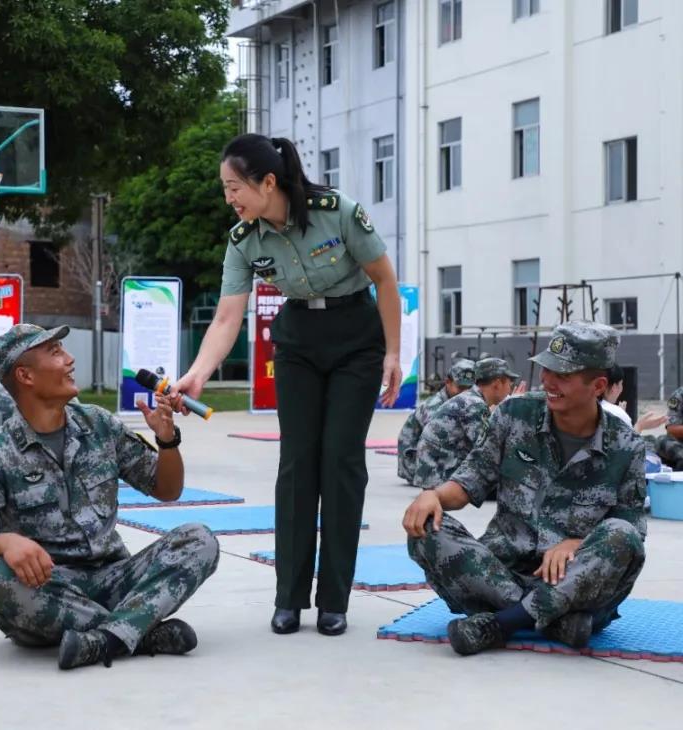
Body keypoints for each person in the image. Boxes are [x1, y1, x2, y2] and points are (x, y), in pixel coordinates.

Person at [171, 133, 401, 637]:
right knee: (297, 463)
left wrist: (392, 352)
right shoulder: (244, 239)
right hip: (298, 342)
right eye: (226, 189)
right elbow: (229, 316)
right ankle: (289, 597)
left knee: (340, 459)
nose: (229, 199)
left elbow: (385, 278)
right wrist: (200, 373)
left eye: (235, 188)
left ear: (267, 181)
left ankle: (335, 599)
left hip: (356, 340)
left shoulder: (336, 211)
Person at [0, 324, 219, 670]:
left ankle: (106, 640)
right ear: (25, 375)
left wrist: (167, 441)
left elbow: (167, 490)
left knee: (200, 540)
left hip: (115, 577)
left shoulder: (99, 425)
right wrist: (6, 544)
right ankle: (140, 631)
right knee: (2, 581)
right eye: (56, 352)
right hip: (50, 589)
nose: (70, 359)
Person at [403, 322, 646, 656]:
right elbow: (468, 481)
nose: (548, 381)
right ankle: (553, 621)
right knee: (425, 527)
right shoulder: (513, 416)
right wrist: (433, 495)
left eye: (563, 375)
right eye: (546, 370)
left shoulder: (626, 446)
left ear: (598, 385)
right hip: (501, 572)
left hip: (575, 580)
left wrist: (577, 543)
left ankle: (502, 623)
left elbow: (631, 526)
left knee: (623, 537)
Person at [412, 358, 520, 491]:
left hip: (436, 471)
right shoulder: (474, 405)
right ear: (497, 384)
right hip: (440, 477)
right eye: (510, 383)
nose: (510, 389)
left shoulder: (472, 399)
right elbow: (490, 449)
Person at [397, 358, 476, 484]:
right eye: (460, 387)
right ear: (448, 382)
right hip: (416, 466)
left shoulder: (460, 402)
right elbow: (443, 441)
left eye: (470, 388)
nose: (466, 393)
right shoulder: (434, 407)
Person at [601, 364, 667, 435]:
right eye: (621, 384)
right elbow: (628, 444)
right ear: (614, 387)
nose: (621, 389)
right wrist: (640, 426)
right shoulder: (616, 413)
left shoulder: (591, 407)